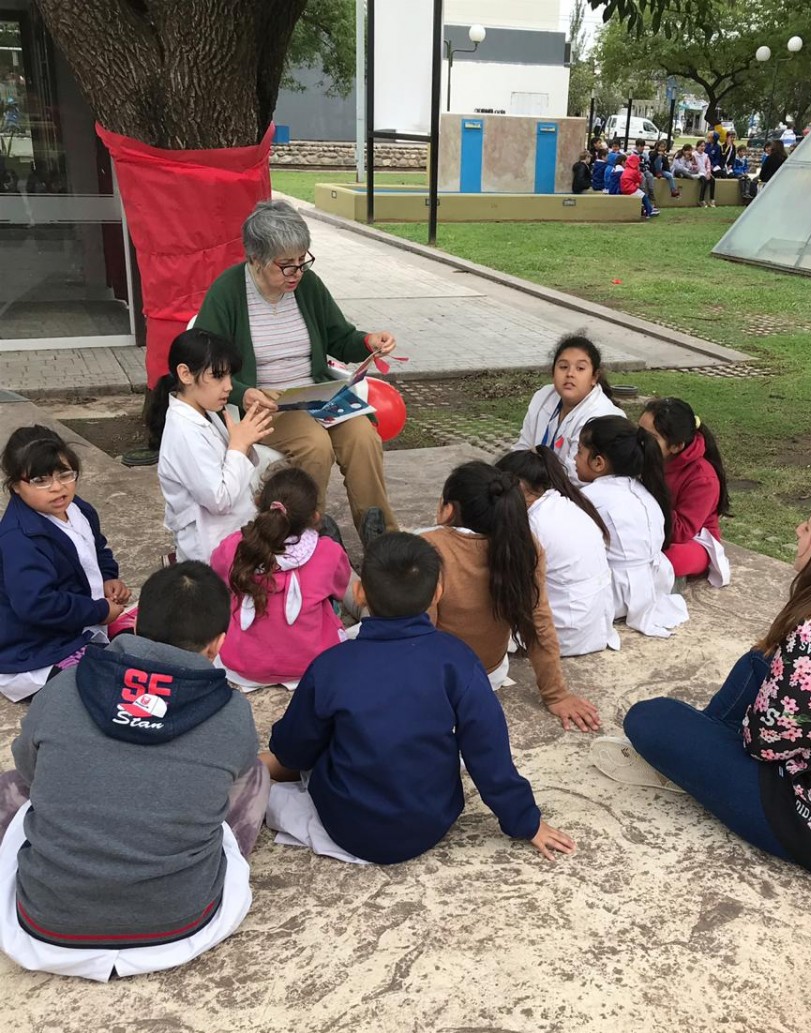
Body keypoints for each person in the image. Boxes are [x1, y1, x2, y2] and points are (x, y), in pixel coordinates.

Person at [0, 562, 270, 981]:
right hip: (179, 923)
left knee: (15, 786)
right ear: (218, 644)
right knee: (253, 775)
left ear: (136, 625)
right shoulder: (232, 713)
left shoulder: (65, 687)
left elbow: (31, 773)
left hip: (47, 922)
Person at [615, 487, 811, 876]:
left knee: (650, 718)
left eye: (810, 526)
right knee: (760, 659)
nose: (799, 529)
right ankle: (706, 750)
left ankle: (701, 757)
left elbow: (763, 746)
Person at [264, 532, 575, 864]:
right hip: (430, 821)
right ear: (437, 592)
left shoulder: (330, 666)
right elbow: (488, 754)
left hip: (347, 825)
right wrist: (527, 821)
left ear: (360, 592)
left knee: (302, 747)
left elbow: (293, 749)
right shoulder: (458, 661)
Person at [195, 200, 398, 542]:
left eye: (302, 261)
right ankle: (305, 536)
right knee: (315, 445)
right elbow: (206, 360)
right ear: (255, 259)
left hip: (316, 395)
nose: (297, 273)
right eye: (285, 265)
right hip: (269, 403)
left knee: (364, 438)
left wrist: (367, 342)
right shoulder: (228, 292)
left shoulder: (308, 286)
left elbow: (340, 336)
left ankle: (381, 537)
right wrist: (244, 392)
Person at [421, 462, 601, 732]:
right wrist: (556, 694)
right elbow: (539, 622)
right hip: (489, 675)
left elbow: (419, 632)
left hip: (439, 684)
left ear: (448, 510)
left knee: (367, 604)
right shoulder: (525, 545)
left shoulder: (429, 548)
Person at [0, 426, 131, 703]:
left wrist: (108, 577)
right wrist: (98, 610)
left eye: (65, 474)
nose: (58, 487)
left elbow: (97, 548)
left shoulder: (78, 509)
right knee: (105, 690)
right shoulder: (20, 539)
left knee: (151, 640)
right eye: (40, 480)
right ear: (15, 486)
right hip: (36, 646)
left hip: (81, 621)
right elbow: (37, 604)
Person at [209, 466, 351, 691]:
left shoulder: (235, 546)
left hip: (243, 666)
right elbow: (340, 589)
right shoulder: (328, 552)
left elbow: (217, 574)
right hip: (312, 664)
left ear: (258, 504)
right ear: (315, 517)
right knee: (331, 599)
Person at [150, 328, 272, 563]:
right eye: (218, 376)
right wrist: (238, 446)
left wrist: (245, 442)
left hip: (231, 532)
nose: (228, 386)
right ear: (185, 374)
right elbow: (218, 500)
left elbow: (232, 468)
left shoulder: (207, 412)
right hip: (211, 549)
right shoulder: (184, 432)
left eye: (229, 376)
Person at [495, 446, 618, 655]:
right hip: (593, 625)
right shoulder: (566, 504)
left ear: (519, 487)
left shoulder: (531, 524)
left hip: (563, 633)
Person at [576, 416, 688, 638]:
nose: (574, 458)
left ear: (598, 463)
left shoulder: (590, 498)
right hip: (652, 587)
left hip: (616, 594)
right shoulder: (643, 490)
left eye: (579, 452)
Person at [638, 398, 731, 586]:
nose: (640, 441)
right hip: (649, 528)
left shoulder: (703, 478)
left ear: (676, 446)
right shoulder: (643, 453)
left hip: (693, 539)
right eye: (639, 431)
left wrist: (644, 501)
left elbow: (682, 531)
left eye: (651, 437)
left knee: (667, 559)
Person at [511, 334, 625, 484]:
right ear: (553, 372)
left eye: (580, 368)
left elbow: (575, 476)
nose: (570, 374)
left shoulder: (602, 416)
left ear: (594, 377)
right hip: (540, 486)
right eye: (563, 367)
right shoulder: (544, 396)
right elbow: (522, 448)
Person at [620, 153, 659, 218]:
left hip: (624, 189)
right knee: (644, 197)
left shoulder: (626, 169)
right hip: (631, 189)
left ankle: (647, 209)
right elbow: (639, 179)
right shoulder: (634, 171)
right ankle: (649, 211)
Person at [695, 139, 716, 207]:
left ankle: (711, 200)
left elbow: (708, 165)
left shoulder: (706, 156)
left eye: (704, 146)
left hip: (704, 172)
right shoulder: (693, 155)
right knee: (704, 181)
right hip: (697, 173)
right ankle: (701, 200)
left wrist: (708, 173)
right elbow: (692, 165)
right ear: (697, 147)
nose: (703, 148)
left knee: (712, 180)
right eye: (701, 146)